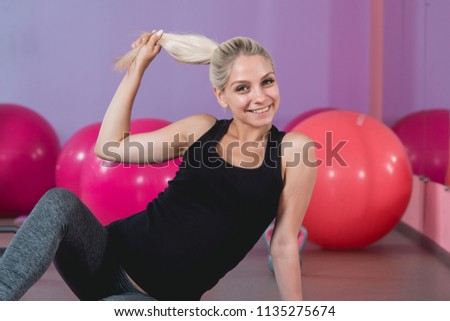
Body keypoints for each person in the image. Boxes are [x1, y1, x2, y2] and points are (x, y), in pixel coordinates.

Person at [0, 29, 316, 301]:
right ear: (221, 96)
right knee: (60, 203)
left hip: (155, 301)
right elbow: (110, 148)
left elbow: (285, 243)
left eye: (267, 82)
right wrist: (136, 70)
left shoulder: (294, 151)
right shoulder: (201, 129)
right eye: (243, 88)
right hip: (103, 256)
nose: (260, 97)